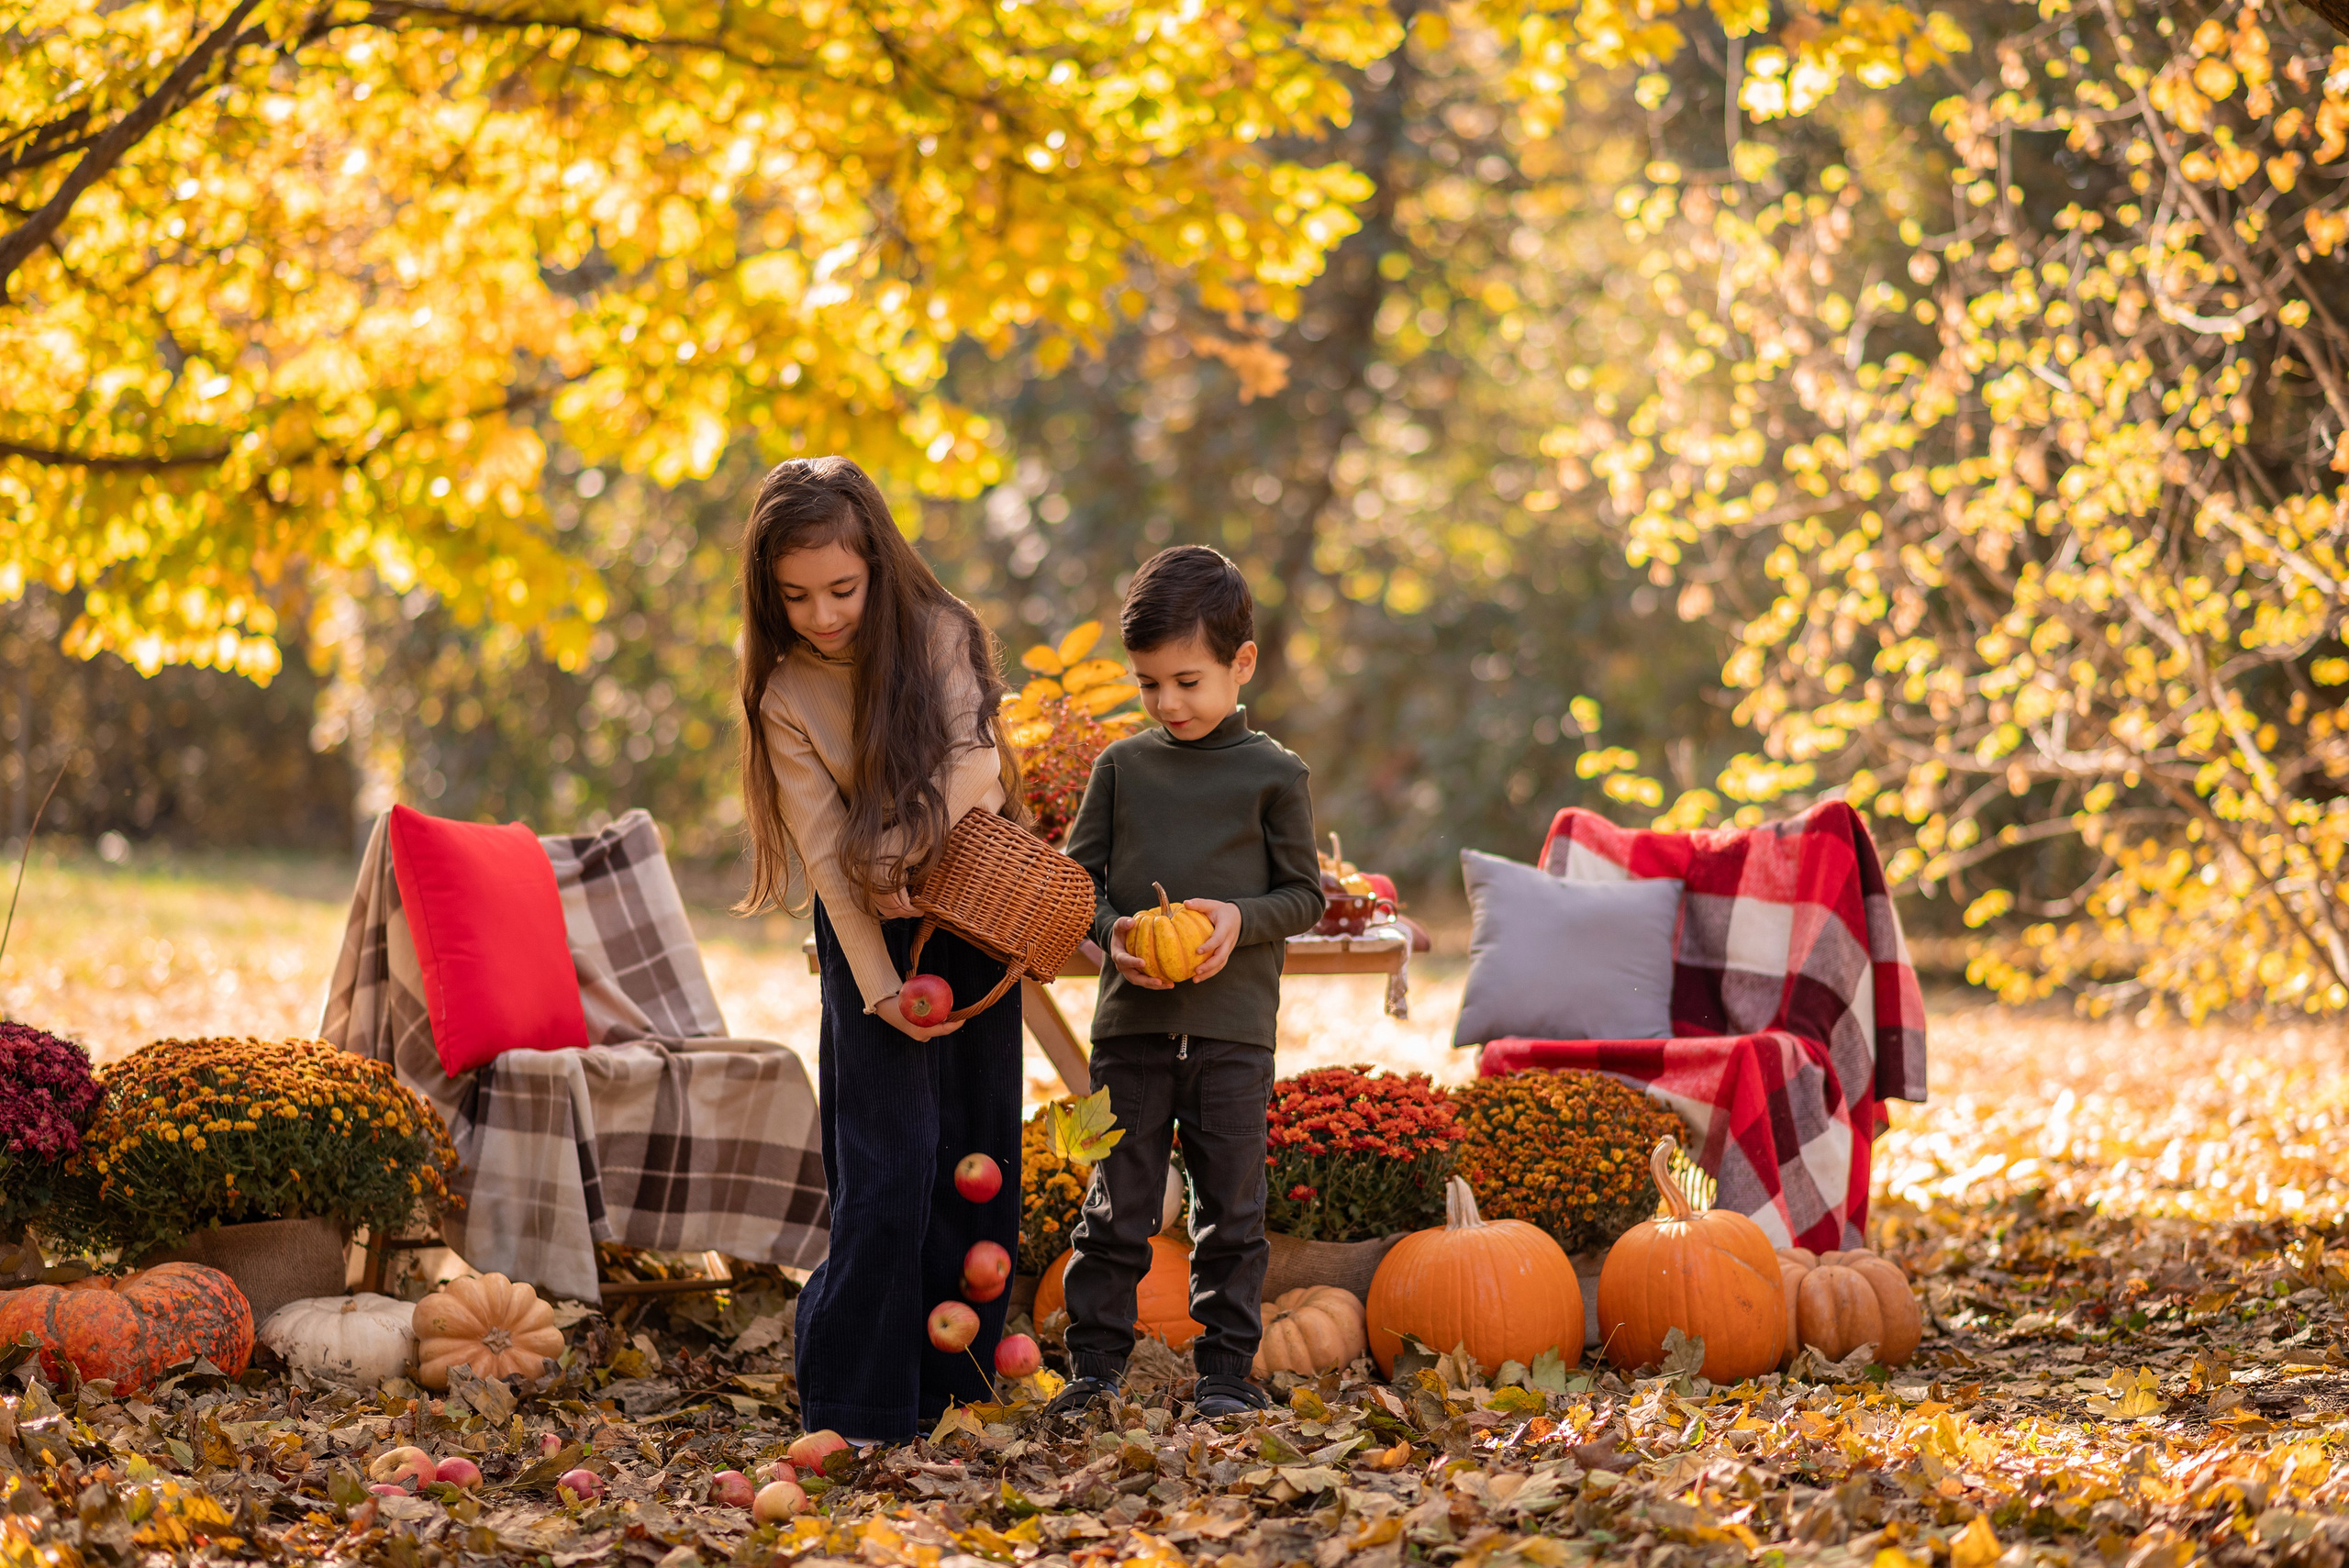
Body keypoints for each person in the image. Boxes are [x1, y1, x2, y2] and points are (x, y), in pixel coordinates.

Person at [735, 456, 1024, 1445]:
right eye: (797, 595)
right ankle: (856, 1399)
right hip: (870, 931)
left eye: (842, 590)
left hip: (970, 908)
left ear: (878, 566)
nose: (822, 614)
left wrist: (904, 847)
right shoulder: (785, 695)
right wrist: (877, 984)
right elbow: (824, 857)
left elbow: (975, 764)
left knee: (971, 1155)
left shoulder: (940, 632)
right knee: (884, 1163)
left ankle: (954, 1393)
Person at [1052, 545, 1326, 1419]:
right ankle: (1093, 1369)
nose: (1168, 703)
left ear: (1241, 665)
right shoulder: (1123, 768)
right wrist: (1112, 932)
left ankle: (1226, 1374)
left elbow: (1304, 894)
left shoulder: (1275, 776)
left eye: (1187, 680)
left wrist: (1242, 919)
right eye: (1148, 685)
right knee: (1117, 1206)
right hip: (1130, 1028)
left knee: (1232, 1211)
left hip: (1232, 1031)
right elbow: (1078, 882)